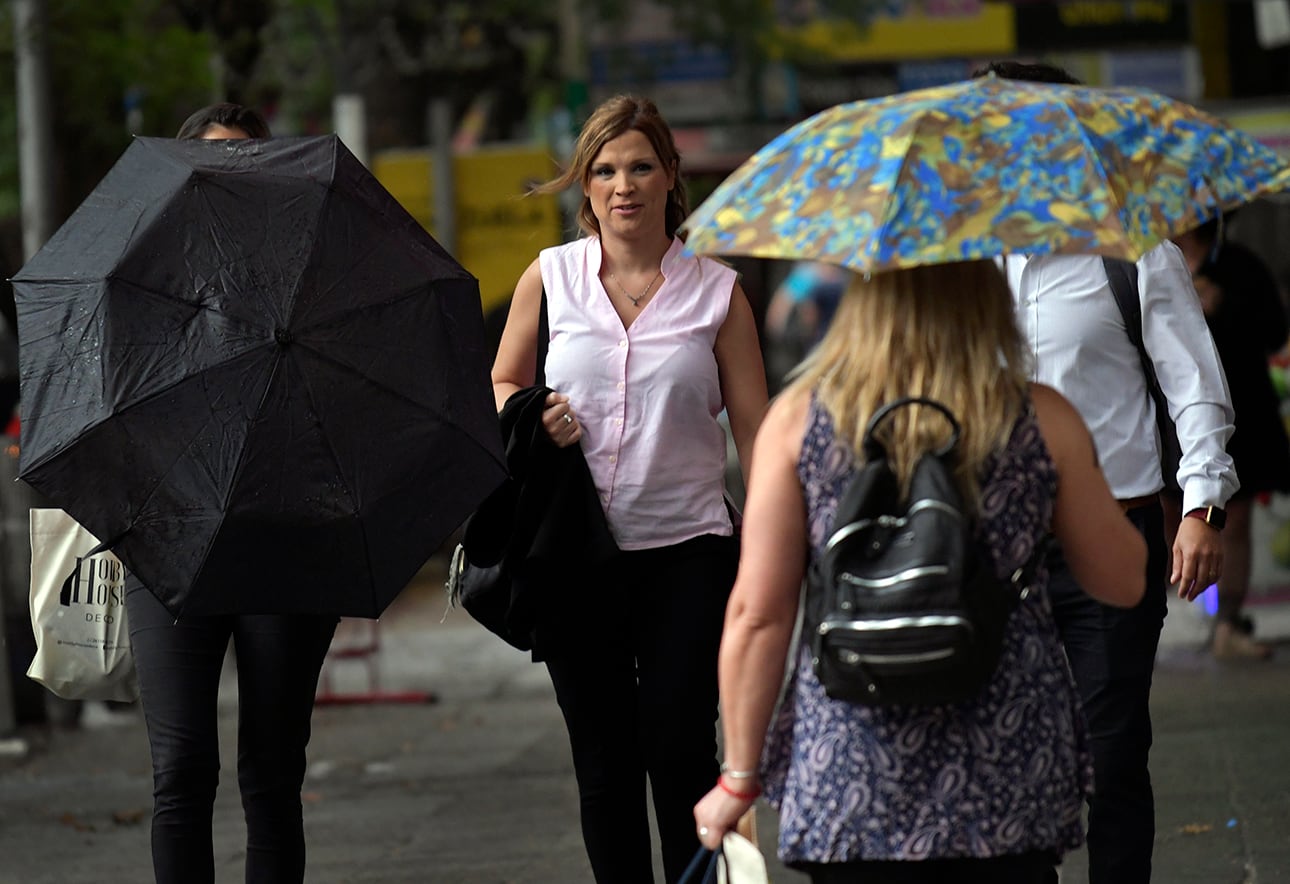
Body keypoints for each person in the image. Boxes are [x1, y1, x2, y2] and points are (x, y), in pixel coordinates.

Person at [692, 259, 1147, 882]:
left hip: (853, 764)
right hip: (1008, 768)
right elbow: (1120, 580)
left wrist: (737, 777)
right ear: (986, 298)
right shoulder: (1039, 415)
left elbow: (759, 614)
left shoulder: (799, 419)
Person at [490, 94, 768, 883]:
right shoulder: (550, 279)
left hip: (689, 551)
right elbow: (505, 379)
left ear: (671, 177)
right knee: (603, 760)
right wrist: (534, 412)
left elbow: (757, 431)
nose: (624, 185)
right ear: (584, 185)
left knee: (680, 747)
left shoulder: (718, 293)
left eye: (641, 166)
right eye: (605, 170)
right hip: (575, 550)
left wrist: (783, 541)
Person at [974, 59, 1240, 884]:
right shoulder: (959, 269)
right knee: (1014, 756)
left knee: (1113, 749)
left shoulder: (1135, 253)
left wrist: (1202, 507)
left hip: (1111, 536)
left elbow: (1196, 388)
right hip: (992, 543)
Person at [124, 102, 339, 884]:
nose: (232, 177)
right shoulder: (144, 269)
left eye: (249, 160)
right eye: (215, 161)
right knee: (179, 773)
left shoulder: (313, 267)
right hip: (169, 532)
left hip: (286, 536)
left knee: (273, 778)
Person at [1171, 216, 1290, 659]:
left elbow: (1275, 332)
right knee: (1168, 513)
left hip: (1242, 410)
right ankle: (1178, 616)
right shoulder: (1145, 262)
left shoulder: (1239, 264)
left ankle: (1227, 623)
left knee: (1232, 519)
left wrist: (1224, 304)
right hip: (1169, 416)